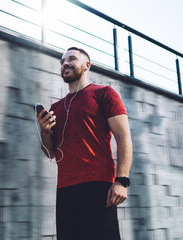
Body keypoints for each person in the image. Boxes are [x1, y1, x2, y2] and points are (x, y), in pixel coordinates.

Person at [37, 47, 133, 240]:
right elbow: (50, 152)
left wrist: (122, 181)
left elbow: (123, 137)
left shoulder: (104, 94)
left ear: (87, 65)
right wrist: (44, 131)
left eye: (71, 59)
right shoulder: (56, 108)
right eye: (62, 61)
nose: (65, 63)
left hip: (98, 187)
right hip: (65, 190)